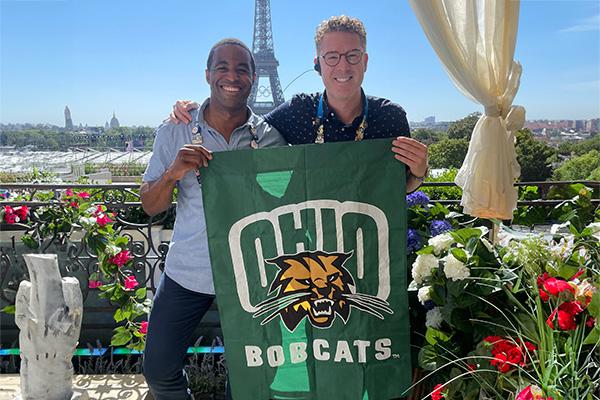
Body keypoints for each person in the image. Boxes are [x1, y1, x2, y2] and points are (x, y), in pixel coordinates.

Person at [141, 38, 286, 400]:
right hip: (188, 271)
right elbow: (149, 205)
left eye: (241, 69)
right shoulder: (174, 130)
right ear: (207, 75)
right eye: (222, 68)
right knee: (158, 371)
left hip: (251, 275)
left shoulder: (271, 138)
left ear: (254, 77)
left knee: (249, 380)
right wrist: (173, 172)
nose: (232, 76)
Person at [171, 15, 428, 192]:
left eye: (352, 55)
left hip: (369, 243)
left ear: (365, 61)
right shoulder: (297, 111)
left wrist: (418, 172)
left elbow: (399, 187)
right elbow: (245, 129)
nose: (342, 65)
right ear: (317, 63)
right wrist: (197, 110)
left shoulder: (391, 117)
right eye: (331, 56)